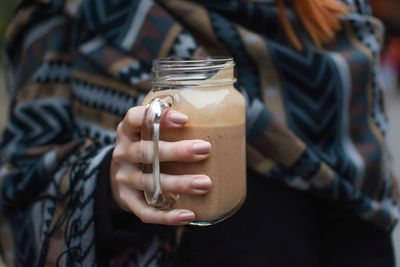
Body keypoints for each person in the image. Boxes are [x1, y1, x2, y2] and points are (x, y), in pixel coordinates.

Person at [0, 0, 399, 266]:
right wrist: (104, 185)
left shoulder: (340, 14)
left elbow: (365, 201)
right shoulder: (75, 13)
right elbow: (16, 197)